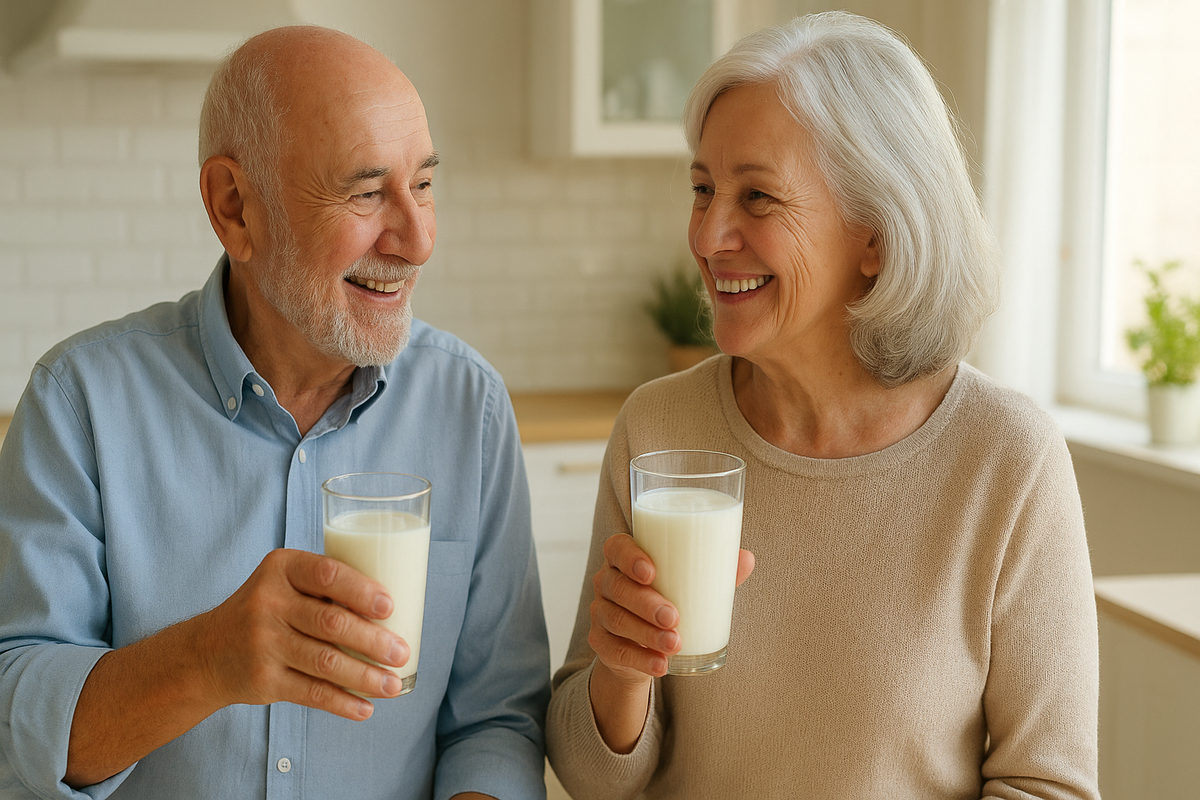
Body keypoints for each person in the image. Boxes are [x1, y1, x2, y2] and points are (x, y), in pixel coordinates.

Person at [546, 11, 1098, 800]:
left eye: (758, 197)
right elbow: (588, 775)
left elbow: (1049, 785)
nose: (708, 235)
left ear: (875, 232)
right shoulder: (660, 429)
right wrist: (623, 673)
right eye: (703, 190)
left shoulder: (1005, 459)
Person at [0, 25, 549, 800]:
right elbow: (17, 721)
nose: (419, 240)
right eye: (366, 193)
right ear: (235, 208)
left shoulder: (471, 408)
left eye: (423, 184)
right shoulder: (79, 402)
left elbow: (498, 719)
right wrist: (206, 660)